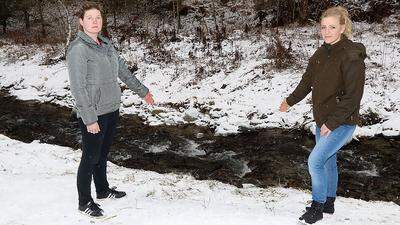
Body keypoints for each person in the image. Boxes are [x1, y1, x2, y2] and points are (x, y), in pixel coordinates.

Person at [279, 6, 366, 224]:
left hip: (342, 121)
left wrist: (333, 123)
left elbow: (353, 97)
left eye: (332, 27)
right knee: (328, 162)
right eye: (323, 27)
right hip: (322, 118)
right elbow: (307, 82)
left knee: (315, 162)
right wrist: (290, 101)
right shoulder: (321, 53)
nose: (326, 32)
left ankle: (316, 207)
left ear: (343, 28)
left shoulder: (351, 56)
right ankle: (329, 203)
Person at [67, 2, 154, 218]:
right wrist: (89, 118)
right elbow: (78, 88)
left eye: (98, 17)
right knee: (90, 156)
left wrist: (142, 91)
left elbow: (122, 71)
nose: (95, 21)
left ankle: (103, 190)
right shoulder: (78, 49)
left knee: (102, 154)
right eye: (90, 18)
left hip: (111, 108)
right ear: (81, 22)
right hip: (94, 113)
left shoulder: (105, 44)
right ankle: (84, 201)